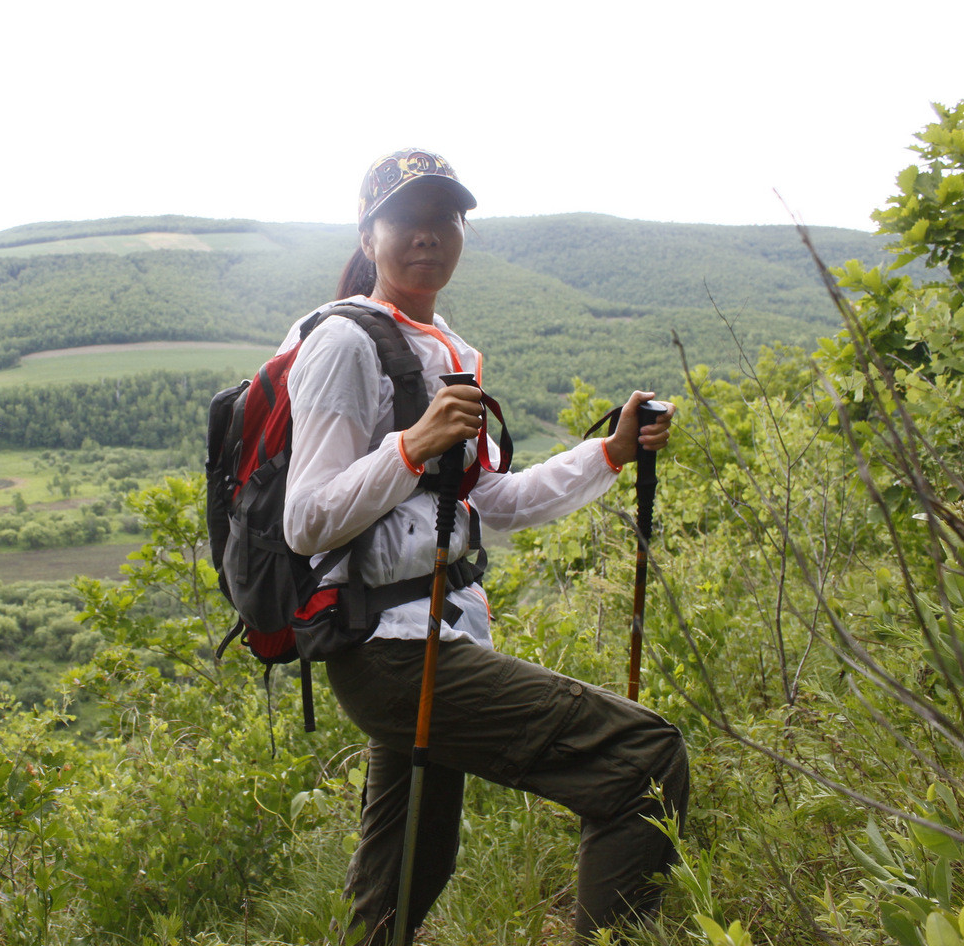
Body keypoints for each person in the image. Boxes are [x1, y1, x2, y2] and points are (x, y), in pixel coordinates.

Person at [281, 149, 690, 944]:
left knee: (405, 875)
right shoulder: (342, 345)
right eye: (407, 219)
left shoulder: (451, 350)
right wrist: (411, 445)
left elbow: (493, 502)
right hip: (388, 649)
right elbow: (307, 519)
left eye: (445, 218)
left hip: (436, 637)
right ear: (370, 235)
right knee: (641, 758)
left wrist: (608, 452)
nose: (428, 235)